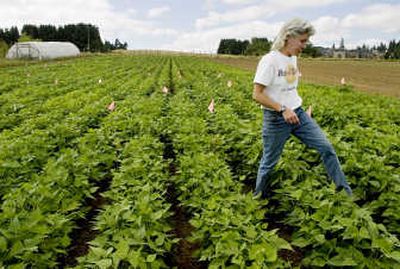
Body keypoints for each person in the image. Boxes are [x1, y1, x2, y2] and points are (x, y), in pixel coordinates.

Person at [252, 18, 352, 198]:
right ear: (289, 37)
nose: (305, 45)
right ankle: (258, 200)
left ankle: (346, 196)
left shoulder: (294, 59)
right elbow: (257, 94)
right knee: (269, 163)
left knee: (326, 148)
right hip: (276, 118)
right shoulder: (270, 60)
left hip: (298, 114)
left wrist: (294, 108)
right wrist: (282, 109)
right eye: (303, 41)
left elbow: (289, 89)